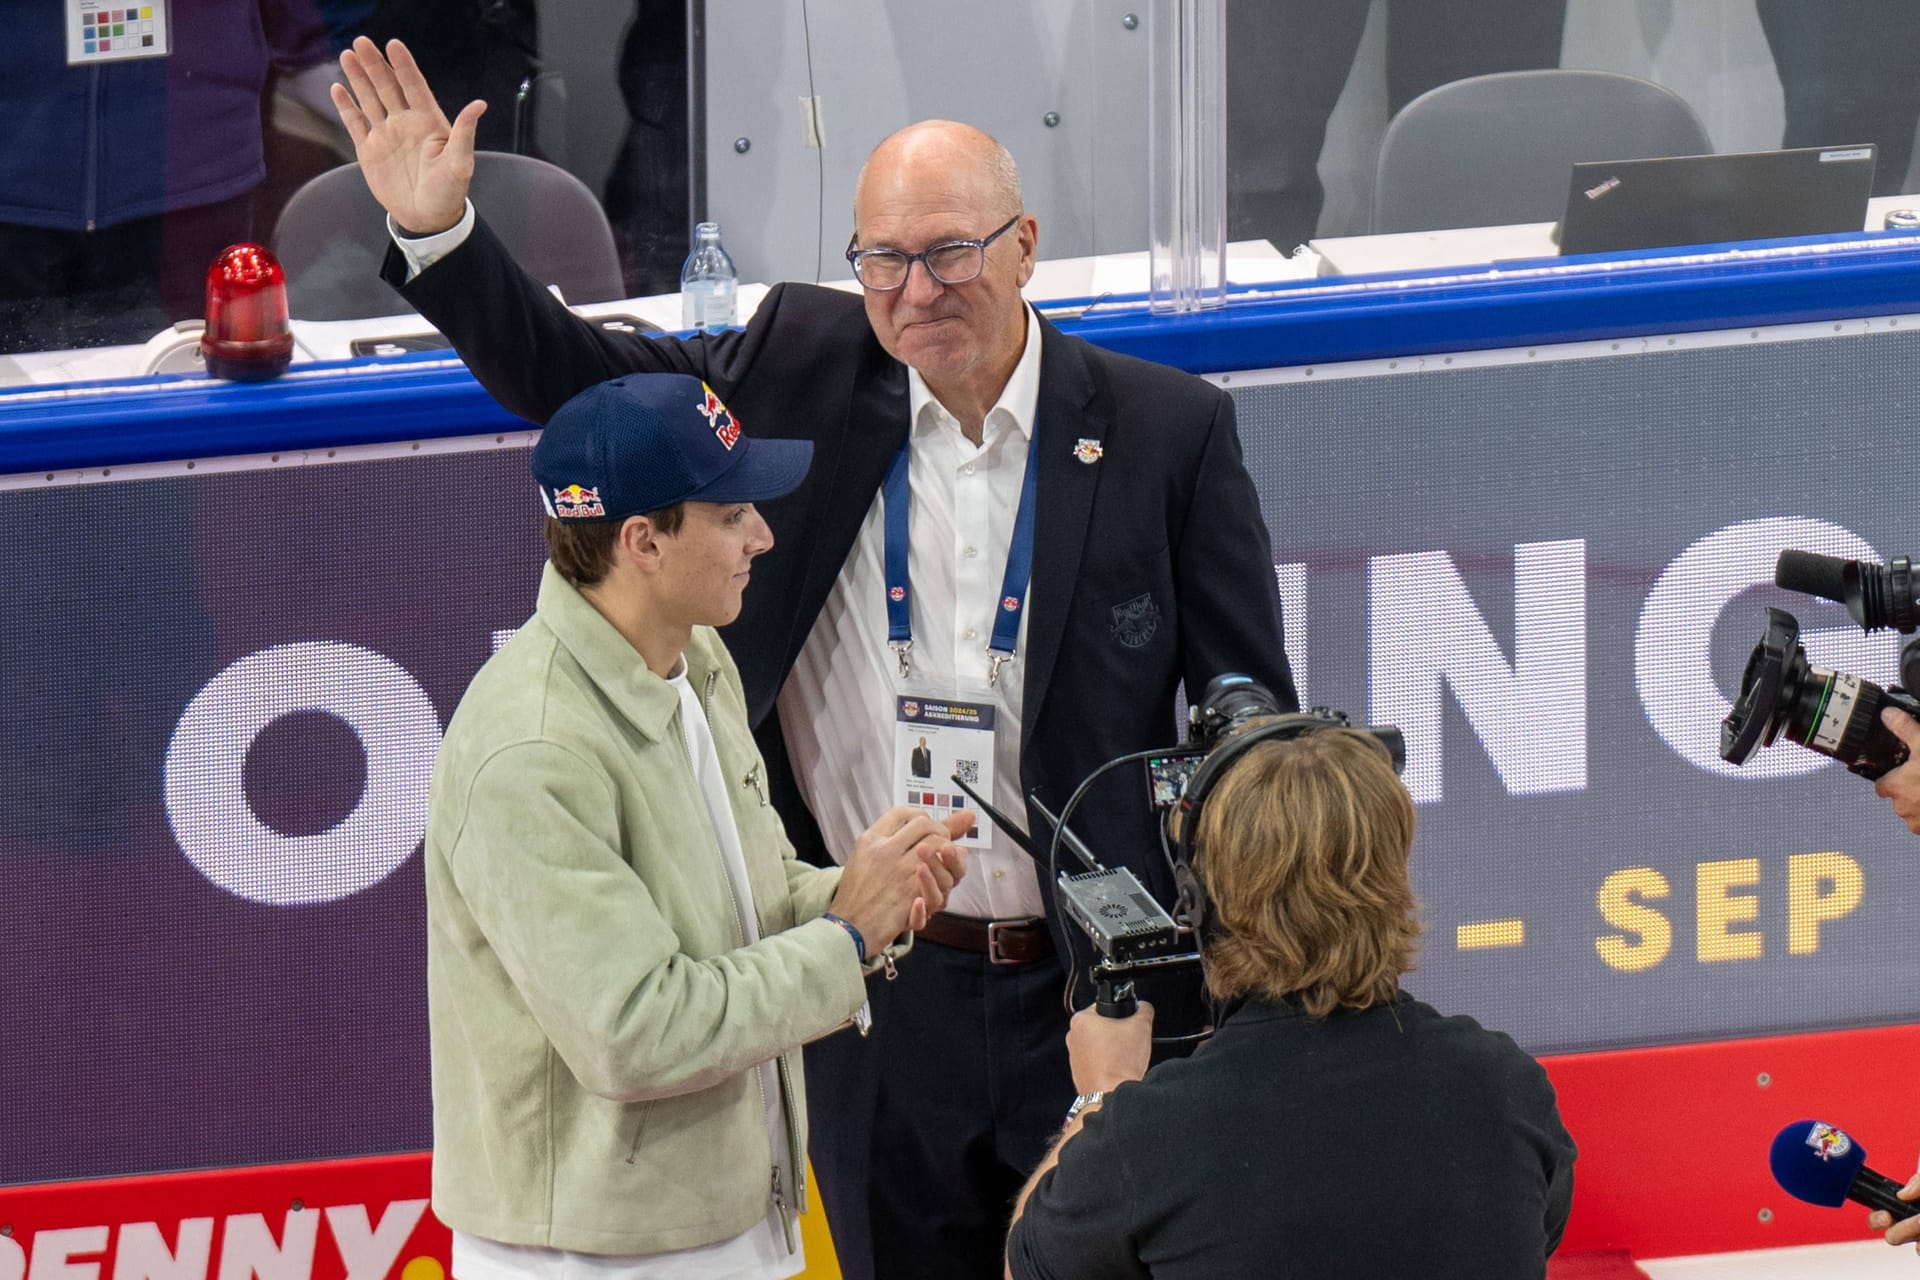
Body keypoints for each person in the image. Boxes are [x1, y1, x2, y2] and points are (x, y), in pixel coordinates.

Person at [332, 37, 1298, 1279]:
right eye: (883, 258)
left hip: (1099, 993)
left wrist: (1235, 981)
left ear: (1024, 244)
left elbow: (1248, 724)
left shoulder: (1168, 430)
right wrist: (444, 236)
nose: (916, 289)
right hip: (880, 987)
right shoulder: (801, 363)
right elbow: (581, 386)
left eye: (951, 251)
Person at [425, 369, 969, 1266]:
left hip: (729, 1214)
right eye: (730, 515)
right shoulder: (532, 751)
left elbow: (743, 899)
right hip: (601, 1254)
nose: (762, 534)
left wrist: (871, 894)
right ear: (642, 541)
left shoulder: (694, 658)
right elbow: (637, 1032)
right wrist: (844, 938)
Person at [1004, 726, 1577, 1279]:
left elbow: (1025, 1265)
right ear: (1394, 881)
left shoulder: (1147, 1138)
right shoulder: (1509, 1088)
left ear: (1199, 902)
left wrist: (1101, 1093)